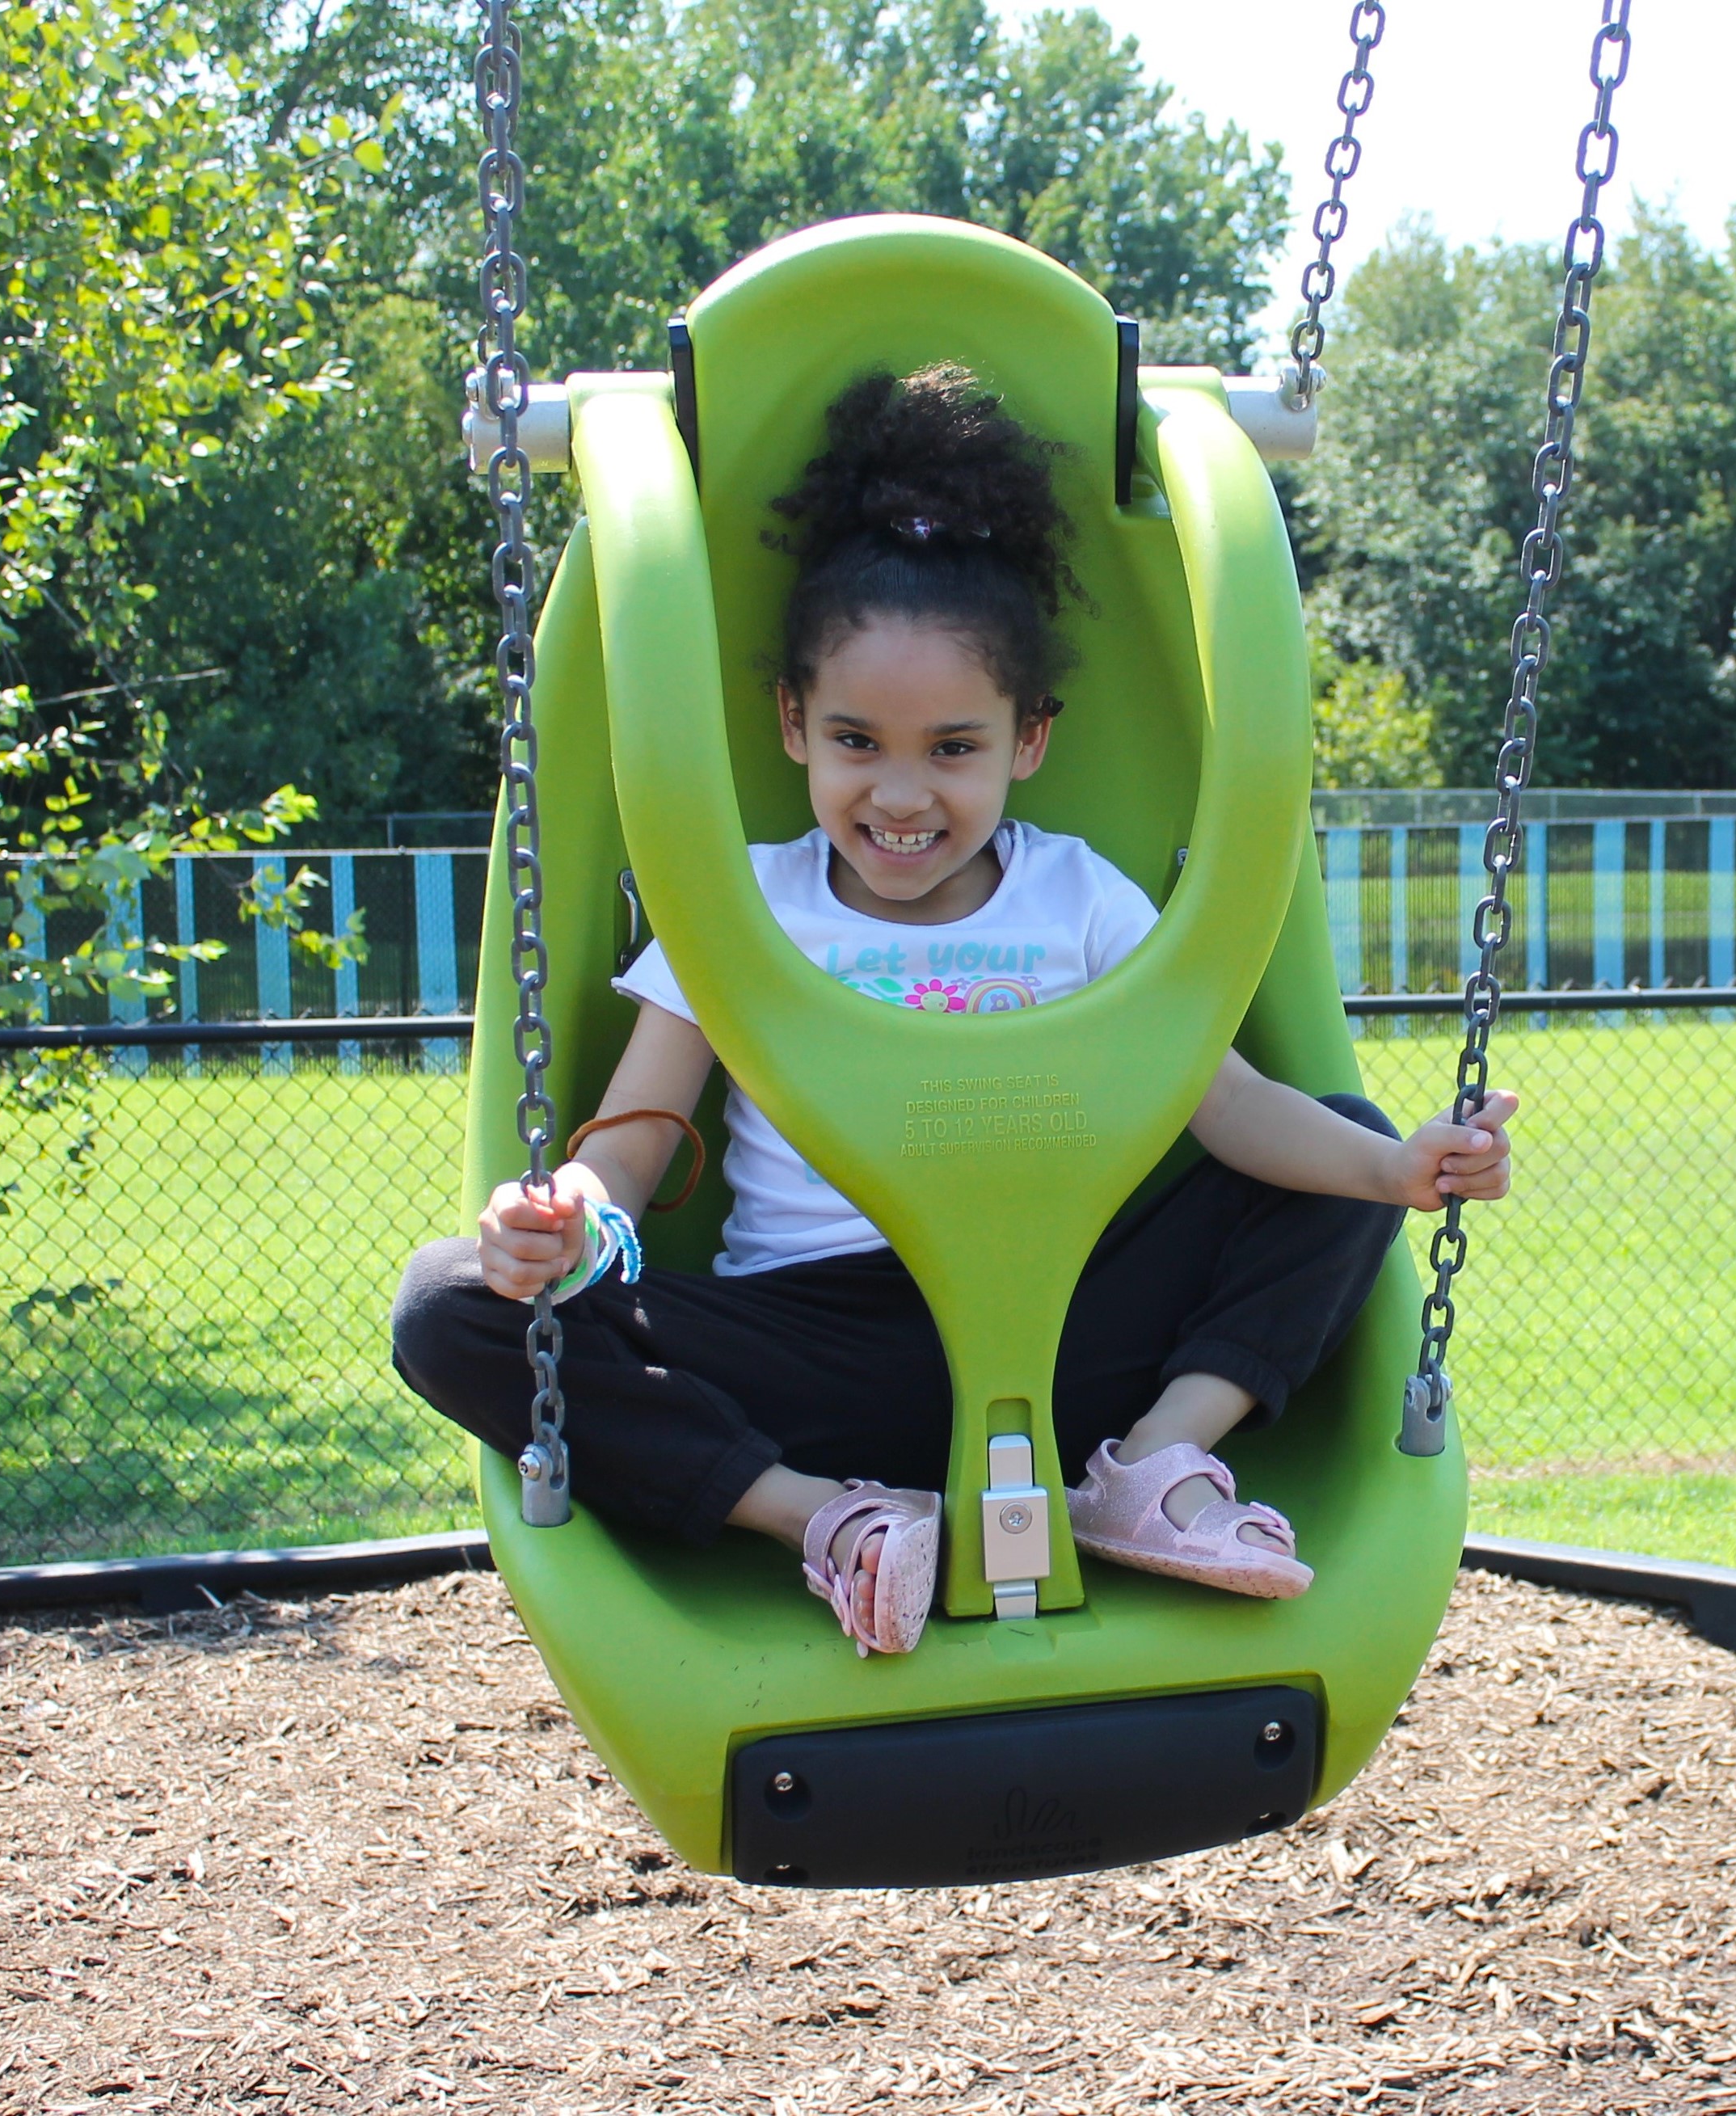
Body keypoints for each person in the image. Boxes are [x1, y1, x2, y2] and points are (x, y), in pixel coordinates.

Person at [394, 363, 1516, 1659]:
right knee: (449, 1306)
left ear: (1026, 739)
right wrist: (567, 1220)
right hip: (811, 1344)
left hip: (1060, 1330)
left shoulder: (1075, 900)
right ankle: (823, 1516)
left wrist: (1396, 1166)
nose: (901, 795)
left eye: (953, 748)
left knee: (1332, 1148)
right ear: (792, 727)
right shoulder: (737, 904)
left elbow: (1229, 1107)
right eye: (857, 741)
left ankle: (1143, 1467)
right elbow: (637, 1135)